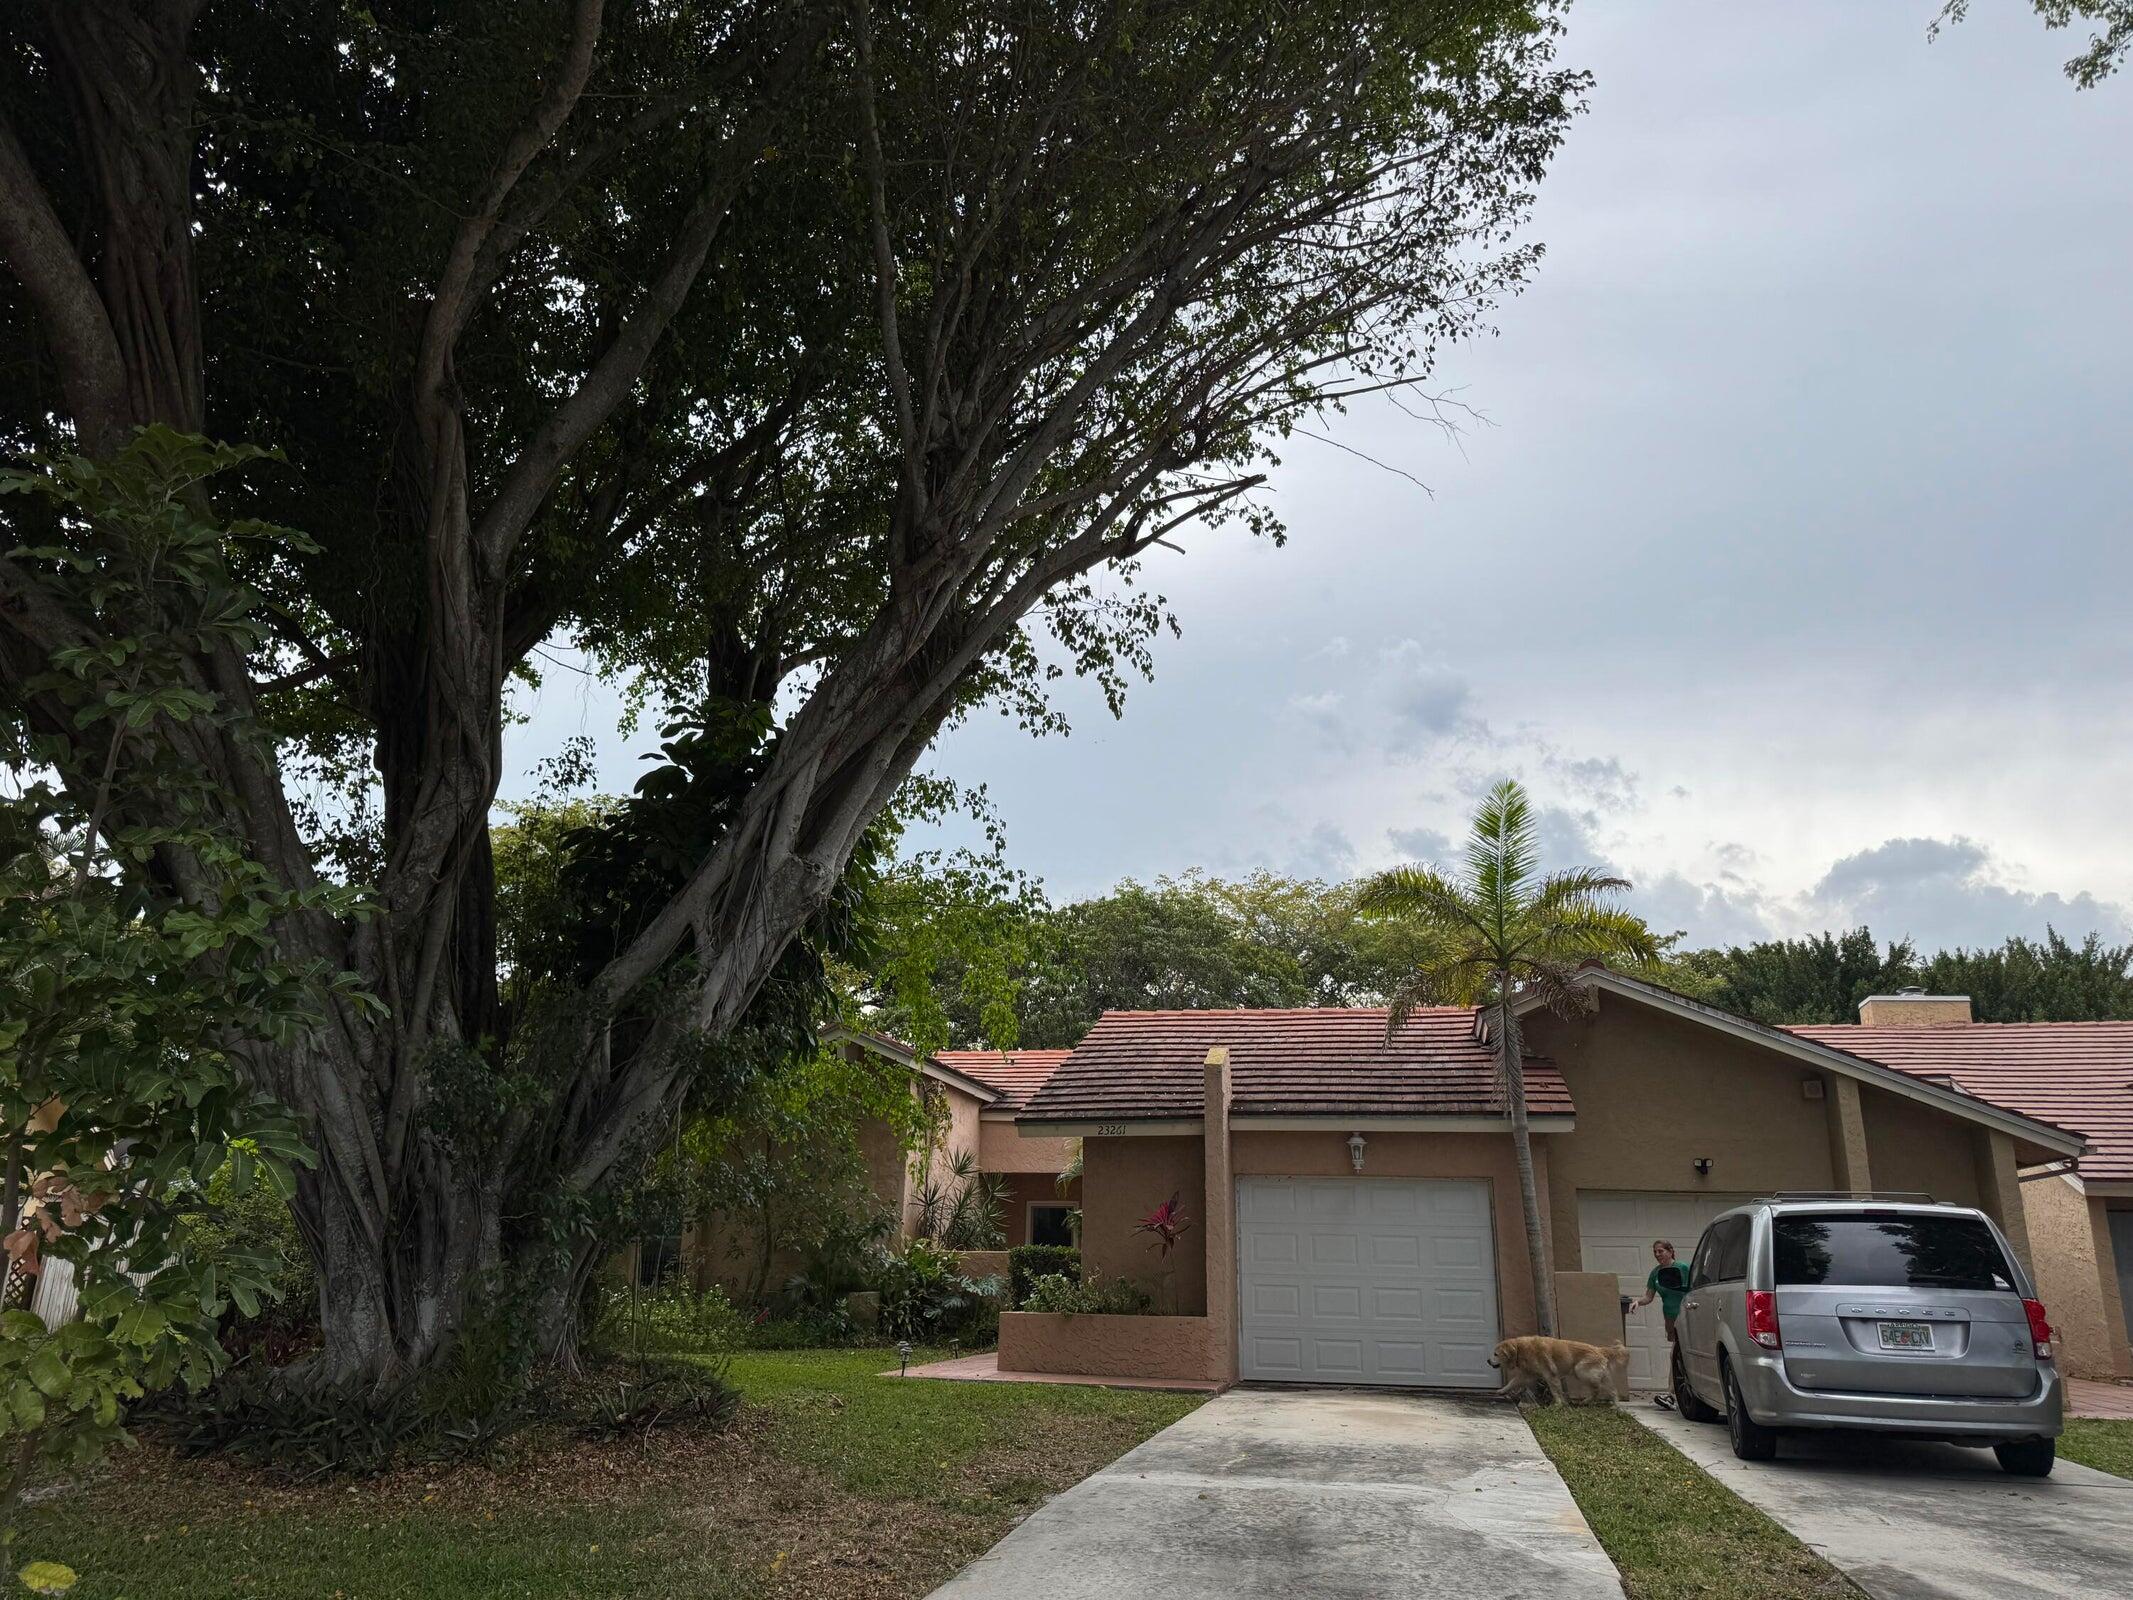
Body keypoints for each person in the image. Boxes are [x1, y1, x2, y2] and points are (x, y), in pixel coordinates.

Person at [1635, 1239, 1692, 1345]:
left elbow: (1695, 1289)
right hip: (1670, 1316)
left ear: (1670, 1251)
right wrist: (1637, 1302)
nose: (1657, 1254)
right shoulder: (1655, 1273)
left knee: (1688, 1345)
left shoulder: (1682, 1268)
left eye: (1660, 1251)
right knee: (1676, 1348)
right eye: (1655, 1252)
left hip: (1687, 1314)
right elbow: (1648, 1297)